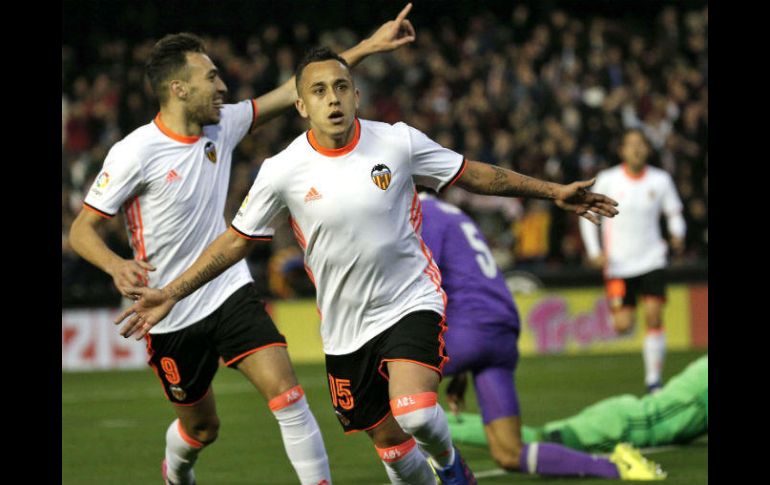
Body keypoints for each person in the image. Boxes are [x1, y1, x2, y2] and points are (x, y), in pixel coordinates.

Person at [114, 45, 619, 485]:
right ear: (300, 104)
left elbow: (475, 174)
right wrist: (173, 292)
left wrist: (554, 192)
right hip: (344, 331)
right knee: (393, 450)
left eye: (341, 87)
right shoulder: (281, 171)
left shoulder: (397, 141)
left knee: (416, 412)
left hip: (411, 301)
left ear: (356, 95)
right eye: (319, 91)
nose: (332, 98)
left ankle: (450, 465)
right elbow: (233, 243)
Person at [68, 6, 418, 484]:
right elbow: (80, 231)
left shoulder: (223, 126)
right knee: (202, 428)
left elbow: (294, 91)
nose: (222, 87)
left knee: (288, 394)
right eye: (210, 78)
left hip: (227, 289)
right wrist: (114, 265)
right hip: (167, 309)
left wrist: (365, 48)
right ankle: (177, 471)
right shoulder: (135, 151)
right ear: (179, 89)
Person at [418, 190, 666, 480]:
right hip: (501, 329)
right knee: (509, 452)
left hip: (470, 328)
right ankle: (618, 466)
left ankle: (443, 473)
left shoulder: (421, 216)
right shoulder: (454, 214)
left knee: (387, 388)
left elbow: (426, 282)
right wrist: (460, 367)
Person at [579, 129, 686, 392]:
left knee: (653, 316)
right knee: (623, 325)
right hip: (618, 263)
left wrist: (677, 234)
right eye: (631, 145)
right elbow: (588, 214)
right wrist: (594, 252)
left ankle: (653, 381)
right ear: (622, 150)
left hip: (652, 258)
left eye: (641, 144)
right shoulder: (608, 179)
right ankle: (629, 312)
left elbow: (674, 212)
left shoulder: (660, 180)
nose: (637, 149)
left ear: (648, 149)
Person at [449, 354, 707, 453]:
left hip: (623, 417)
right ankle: (442, 424)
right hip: (620, 426)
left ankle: (438, 420)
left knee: (530, 439)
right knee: (532, 441)